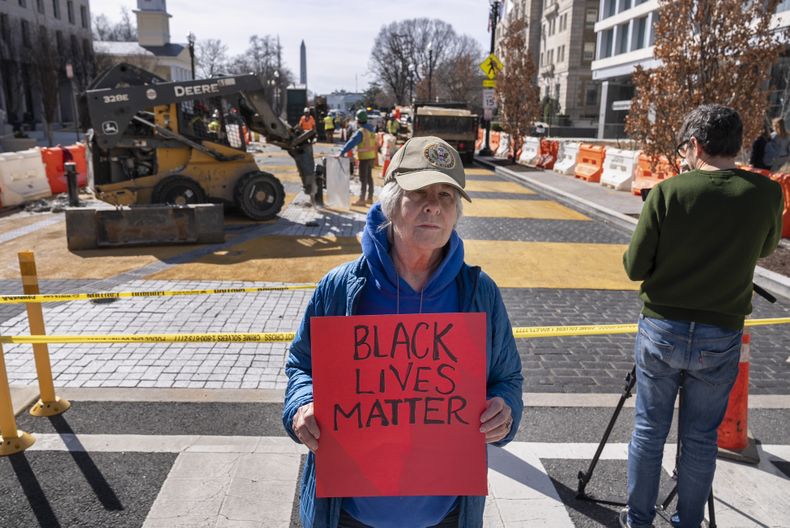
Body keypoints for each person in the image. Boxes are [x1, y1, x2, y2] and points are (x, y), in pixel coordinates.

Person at [283, 135, 523, 528]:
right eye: (420, 191)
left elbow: (506, 378)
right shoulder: (341, 287)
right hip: (349, 514)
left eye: (446, 195)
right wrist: (302, 405)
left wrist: (505, 410)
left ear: (457, 211)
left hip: (445, 515)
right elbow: (300, 366)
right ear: (392, 201)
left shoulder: (479, 294)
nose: (434, 204)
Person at [620, 104, 784, 528]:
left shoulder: (668, 192)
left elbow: (635, 267)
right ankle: (687, 521)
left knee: (649, 430)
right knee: (699, 439)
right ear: (737, 144)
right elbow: (765, 249)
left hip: (662, 328)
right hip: (720, 332)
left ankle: (638, 519)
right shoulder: (766, 193)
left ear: (694, 145)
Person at [339, 109, 377, 206]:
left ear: (358, 121)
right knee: (369, 178)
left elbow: (351, 143)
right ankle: (370, 198)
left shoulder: (361, 132)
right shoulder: (371, 129)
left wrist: (342, 152)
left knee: (363, 179)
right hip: (371, 157)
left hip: (364, 158)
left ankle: (361, 200)